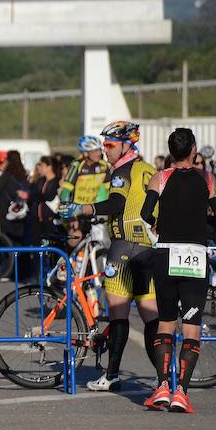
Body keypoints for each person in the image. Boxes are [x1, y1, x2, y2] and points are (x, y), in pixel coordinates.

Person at [60, 121, 159, 392]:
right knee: (151, 317)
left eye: (111, 145)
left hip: (124, 247)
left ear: (128, 144)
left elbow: (117, 203)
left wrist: (83, 209)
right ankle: (165, 378)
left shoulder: (122, 173)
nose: (106, 149)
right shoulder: (148, 169)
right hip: (148, 248)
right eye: (104, 144)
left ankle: (112, 375)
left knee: (118, 316)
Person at [140, 127, 216, 412]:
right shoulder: (207, 179)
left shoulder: (160, 176)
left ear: (170, 151)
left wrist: (160, 221)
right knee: (191, 327)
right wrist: (200, 217)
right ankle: (181, 392)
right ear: (193, 149)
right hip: (194, 256)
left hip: (166, 255)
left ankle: (162, 387)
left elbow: (144, 213)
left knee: (165, 322)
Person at [59, 135, 111, 244]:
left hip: (92, 210)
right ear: (86, 153)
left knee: (102, 241)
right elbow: (65, 193)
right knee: (75, 238)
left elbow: (108, 190)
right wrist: (71, 217)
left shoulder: (103, 166)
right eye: (95, 151)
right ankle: (69, 260)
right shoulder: (77, 165)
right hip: (75, 211)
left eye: (99, 150)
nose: (99, 153)